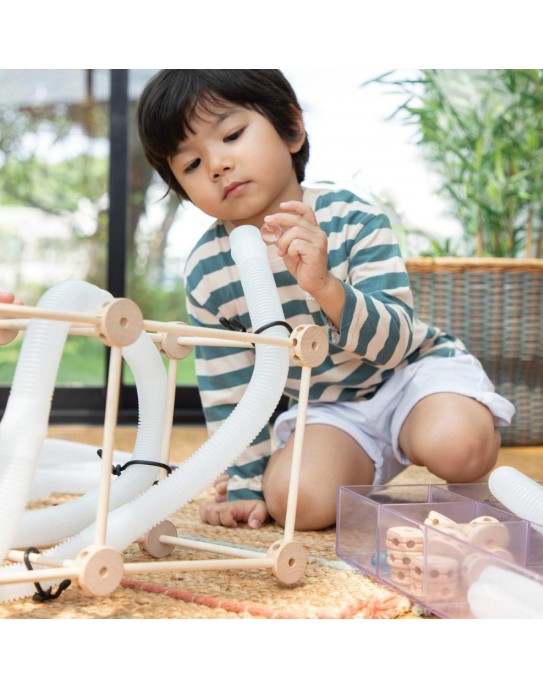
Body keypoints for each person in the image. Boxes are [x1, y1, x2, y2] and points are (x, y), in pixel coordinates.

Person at [136, 70, 515, 532]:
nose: (216, 164)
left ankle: (428, 445)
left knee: (459, 445)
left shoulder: (354, 219)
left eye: (232, 135)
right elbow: (229, 387)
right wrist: (245, 482)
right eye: (191, 165)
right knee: (297, 502)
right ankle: (355, 469)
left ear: (292, 130)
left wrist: (326, 285)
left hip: (410, 378)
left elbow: (395, 343)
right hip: (327, 408)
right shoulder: (207, 269)